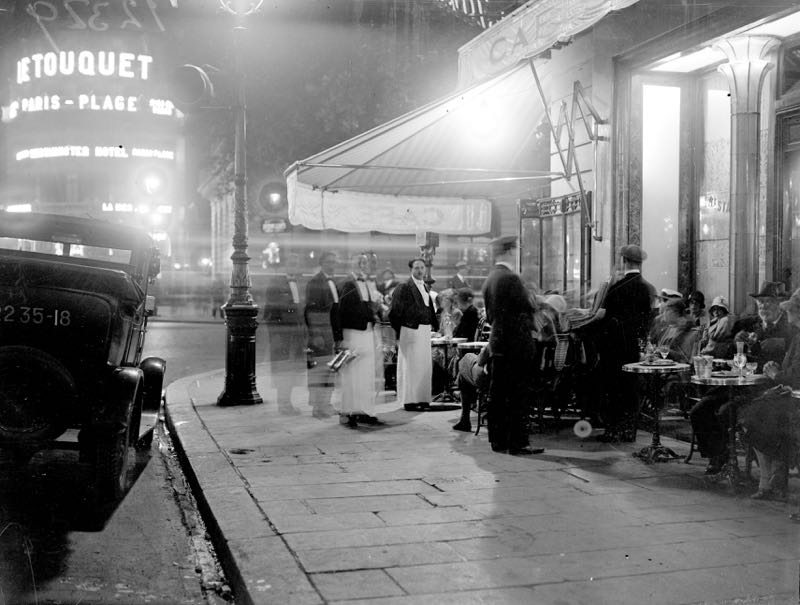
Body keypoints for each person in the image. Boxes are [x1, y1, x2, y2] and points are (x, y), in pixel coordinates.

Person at [690, 281, 795, 474]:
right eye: (760, 302)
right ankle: (718, 455)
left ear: (780, 304)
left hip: (764, 389)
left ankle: (733, 461)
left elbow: (788, 365)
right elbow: (730, 354)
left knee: (725, 412)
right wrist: (736, 342)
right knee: (699, 410)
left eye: (769, 302)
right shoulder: (748, 324)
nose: (764, 306)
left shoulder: (789, 328)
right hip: (738, 384)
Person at [482, 235, 544, 455]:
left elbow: (491, 314)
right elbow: (525, 311)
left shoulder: (491, 278)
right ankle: (517, 442)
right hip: (515, 345)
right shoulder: (511, 279)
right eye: (516, 251)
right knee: (517, 395)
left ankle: (498, 441)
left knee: (498, 393)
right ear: (509, 252)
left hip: (498, 342)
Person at [738, 287, 800, 501]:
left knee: (756, 417)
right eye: (760, 303)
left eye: (790, 310)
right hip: (781, 392)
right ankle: (771, 481)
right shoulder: (793, 334)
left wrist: (776, 374)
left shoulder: (793, 333)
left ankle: (772, 481)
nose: (788, 314)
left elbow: (795, 374)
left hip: (791, 396)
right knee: (754, 414)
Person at [594, 244, 656, 442]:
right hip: (632, 346)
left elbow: (605, 317)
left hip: (613, 347)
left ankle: (613, 429)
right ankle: (630, 430)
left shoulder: (615, 287)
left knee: (613, 388)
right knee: (630, 388)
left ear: (623, 260)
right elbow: (647, 321)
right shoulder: (647, 288)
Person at [331, 253, 381, 427]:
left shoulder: (367, 283)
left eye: (364, 262)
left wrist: (374, 313)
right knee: (351, 373)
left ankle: (365, 410)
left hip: (366, 332)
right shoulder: (347, 283)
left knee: (366, 374)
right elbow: (339, 311)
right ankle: (349, 412)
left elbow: (368, 306)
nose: (362, 265)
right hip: (352, 333)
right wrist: (340, 338)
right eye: (359, 262)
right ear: (352, 265)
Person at [389, 258, 439, 412]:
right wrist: (402, 330)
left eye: (422, 268)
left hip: (424, 331)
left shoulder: (424, 286)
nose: (419, 271)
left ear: (425, 269)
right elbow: (394, 313)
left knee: (423, 365)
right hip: (410, 330)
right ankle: (409, 400)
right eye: (416, 268)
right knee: (410, 366)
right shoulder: (403, 287)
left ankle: (422, 398)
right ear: (411, 269)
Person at [262, 254, 306, 416]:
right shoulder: (276, 283)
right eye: (291, 263)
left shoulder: (298, 283)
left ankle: (288, 401)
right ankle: (283, 403)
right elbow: (271, 311)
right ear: (285, 265)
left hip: (296, 334)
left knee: (293, 369)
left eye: (296, 263)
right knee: (282, 368)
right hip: (282, 334)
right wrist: (277, 334)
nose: (294, 266)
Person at [304, 251, 339, 419]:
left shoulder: (334, 281)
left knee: (330, 370)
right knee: (319, 370)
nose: (332, 265)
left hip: (332, 331)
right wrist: (316, 334)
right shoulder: (315, 282)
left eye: (334, 262)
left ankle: (326, 403)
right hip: (321, 332)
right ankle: (318, 406)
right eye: (329, 262)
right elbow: (311, 310)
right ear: (322, 263)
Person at [452, 343, 490, 432]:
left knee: (466, 360)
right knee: (465, 371)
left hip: (489, 380)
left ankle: (465, 419)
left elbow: (481, 360)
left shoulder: (498, 340)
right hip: (514, 383)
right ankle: (472, 399)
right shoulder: (524, 343)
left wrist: (482, 352)